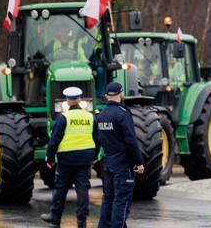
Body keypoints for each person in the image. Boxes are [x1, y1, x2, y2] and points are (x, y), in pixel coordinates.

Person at [41, 87, 98, 228]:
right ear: (79, 99)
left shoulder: (63, 118)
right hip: (85, 159)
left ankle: (55, 217)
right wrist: (95, 156)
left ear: (67, 101)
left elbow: (54, 140)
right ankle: (82, 221)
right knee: (82, 189)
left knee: (61, 188)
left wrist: (49, 157)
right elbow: (98, 139)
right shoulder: (90, 117)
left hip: (66, 159)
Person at [97, 82, 144, 228]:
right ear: (121, 94)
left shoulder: (101, 115)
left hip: (108, 163)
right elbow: (131, 140)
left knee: (108, 199)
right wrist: (139, 162)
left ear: (106, 96)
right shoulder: (123, 114)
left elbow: (99, 139)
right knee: (121, 200)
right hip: (123, 165)